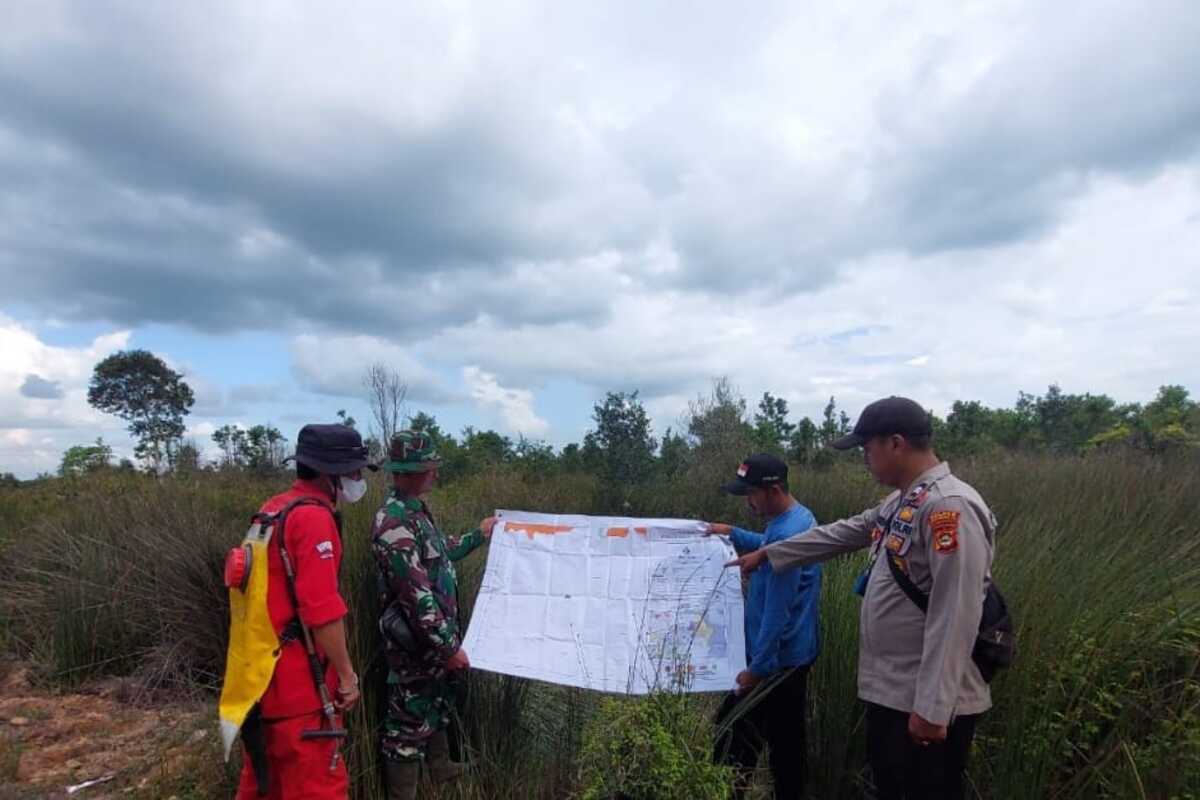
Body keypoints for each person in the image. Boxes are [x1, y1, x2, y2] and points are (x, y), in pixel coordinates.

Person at [727, 397, 996, 800]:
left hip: (924, 702)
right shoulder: (903, 500)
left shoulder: (948, 507)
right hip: (894, 691)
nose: (865, 460)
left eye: (867, 450)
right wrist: (770, 553)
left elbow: (956, 610)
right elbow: (844, 532)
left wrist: (935, 707)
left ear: (896, 443)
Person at [232, 423, 370, 800]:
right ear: (332, 473)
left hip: (259, 685)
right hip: (302, 694)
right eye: (356, 471)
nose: (359, 479)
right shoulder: (313, 519)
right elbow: (321, 610)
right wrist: (346, 677)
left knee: (265, 787)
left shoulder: (271, 511)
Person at [371, 430, 497, 800]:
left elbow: (442, 552)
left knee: (437, 704)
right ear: (409, 471)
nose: (436, 474)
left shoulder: (416, 512)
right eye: (430, 467)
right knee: (405, 725)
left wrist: (478, 535)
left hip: (433, 644)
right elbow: (416, 597)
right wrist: (448, 647)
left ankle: (441, 769)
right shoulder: (392, 523)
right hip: (413, 647)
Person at [705, 453, 821, 799]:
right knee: (786, 744)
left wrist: (757, 669)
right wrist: (734, 533)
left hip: (775, 662)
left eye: (750, 494)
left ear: (772, 490)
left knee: (732, 738)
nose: (748, 501)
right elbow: (768, 546)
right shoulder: (798, 519)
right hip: (794, 655)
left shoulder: (786, 536)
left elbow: (777, 611)